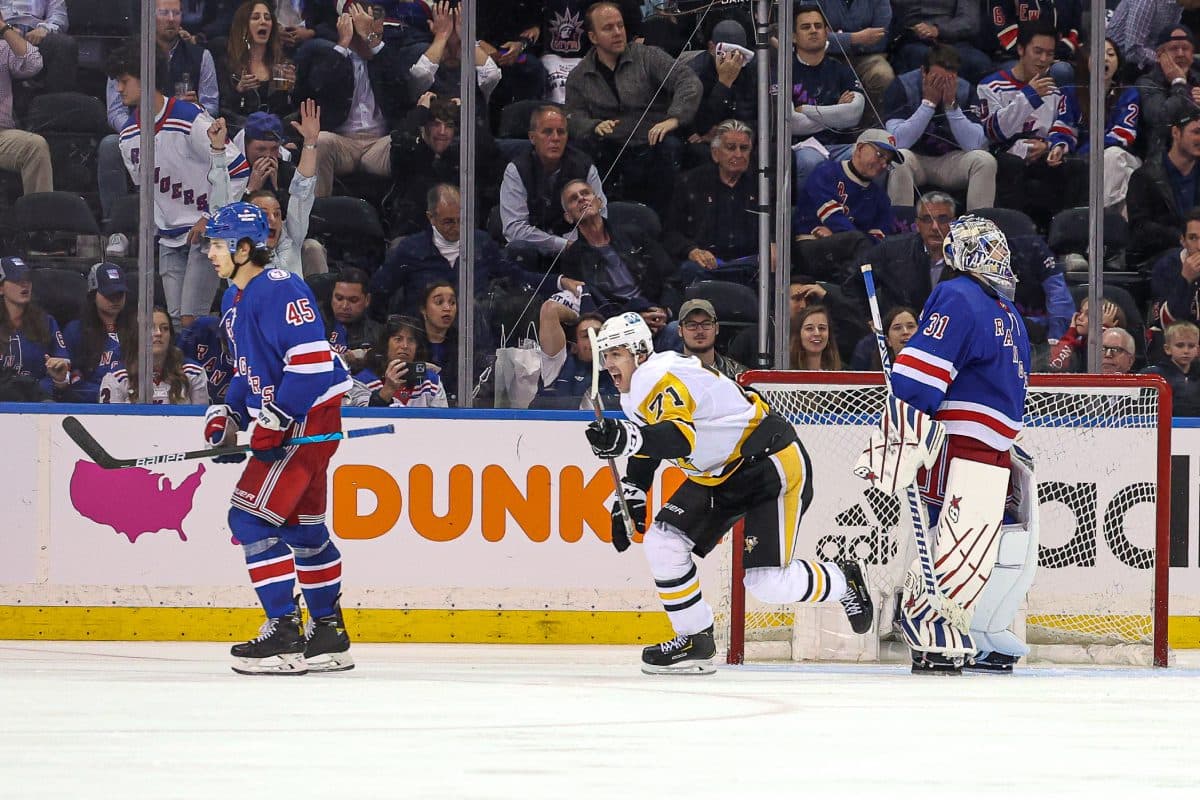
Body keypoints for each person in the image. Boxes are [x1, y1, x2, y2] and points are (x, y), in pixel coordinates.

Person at [583, 311, 874, 674]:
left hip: (768, 466)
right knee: (663, 541)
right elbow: (650, 444)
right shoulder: (636, 390)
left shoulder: (657, 376)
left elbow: (679, 436)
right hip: (719, 475)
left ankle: (842, 579)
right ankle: (696, 639)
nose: (609, 363)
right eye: (606, 355)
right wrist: (634, 490)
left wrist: (625, 438)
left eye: (617, 354)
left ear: (640, 352)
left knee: (766, 582)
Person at [853, 214, 1036, 674]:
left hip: (976, 446)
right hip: (977, 445)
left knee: (959, 538)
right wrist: (910, 403)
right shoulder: (983, 304)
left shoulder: (981, 301)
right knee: (956, 537)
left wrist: (904, 394)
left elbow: (933, 380)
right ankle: (942, 622)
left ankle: (947, 622)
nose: (999, 259)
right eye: (990, 250)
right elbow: (930, 376)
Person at [202, 201, 354, 675]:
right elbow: (252, 367)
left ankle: (284, 634)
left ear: (244, 248)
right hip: (297, 414)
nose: (209, 252)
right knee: (300, 528)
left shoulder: (279, 286)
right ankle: (328, 634)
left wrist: (273, 421)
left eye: (217, 243)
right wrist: (228, 410)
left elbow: (308, 365)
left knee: (247, 520)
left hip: (306, 414)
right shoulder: (235, 297)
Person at [111, 45, 250, 327]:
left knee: (190, 321)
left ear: (146, 77)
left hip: (206, 235)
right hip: (169, 239)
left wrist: (211, 218)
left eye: (124, 81)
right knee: (174, 325)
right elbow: (146, 193)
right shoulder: (126, 136)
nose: (118, 89)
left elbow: (238, 169)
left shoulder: (189, 118)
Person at [564, 1, 700, 215]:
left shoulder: (648, 56)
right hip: (611, 147)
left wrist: (674, 118)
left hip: (653, 143)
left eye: (620, 25)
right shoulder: (579, 75)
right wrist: (593, 125)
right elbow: (572, 116)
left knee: (670, 148)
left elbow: (687, 80)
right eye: (608, 28)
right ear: (593, 37)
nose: (618, 32)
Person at [980, 20, 1082, 228]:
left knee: (1075, 165)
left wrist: (1052, 146)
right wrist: (1029, 97)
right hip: (1006, 156)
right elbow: (993, 132)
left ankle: (1067, 242)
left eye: (1050, 54)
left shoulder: (1054, 89)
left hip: (1042, 156)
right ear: (1020, 49)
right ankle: (1013, 235)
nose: (1044, 59)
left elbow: (1065, 124)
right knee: (1012, 165)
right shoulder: (991, 86)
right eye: (1037, 51)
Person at [884, 44, 996, 211]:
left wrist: (952, 106)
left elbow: (975, 145)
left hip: (951, 160)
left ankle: (978, 229)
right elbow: (898, 141)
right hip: (916, 158)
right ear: (923, 72)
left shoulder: (965, 90)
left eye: (948, 81)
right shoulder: (903, 86)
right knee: (899, 158)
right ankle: (902, 228)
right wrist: (928, 104)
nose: (941, 86)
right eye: (935, 80)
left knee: (985, 161)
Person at [558, 178, 681, 317]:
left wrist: (665, 310)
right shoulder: (573, 257)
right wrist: (634, 318)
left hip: (657, 312)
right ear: (568, 217)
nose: (581, 198)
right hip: (617, 325)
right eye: (573, 199)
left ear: (599, 202)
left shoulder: (635, 235)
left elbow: (671, 277)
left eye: (585, 193)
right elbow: (590, 306)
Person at [500, 104, 607, 263]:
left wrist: (577, 245)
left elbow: (600, 214)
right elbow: (514, 228)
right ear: (532, 137)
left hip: (578, 250)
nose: (555, 138)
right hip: (535, 249)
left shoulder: (584, 165)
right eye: (547, 132)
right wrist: (561, 244)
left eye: (561, 132)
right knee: (518, 249)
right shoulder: (517, 170)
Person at [664, 119, 761, 287]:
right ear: (715, 153)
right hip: (707, 265)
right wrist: (692, 251)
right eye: (731, 148)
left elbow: (778, 227)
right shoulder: (690, 182)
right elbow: (671, 233)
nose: (738, 154)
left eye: (744, 149)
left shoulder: (762, 185)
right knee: (690, 271)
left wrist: (773, 243)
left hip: (750, 264)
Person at [1048, 39, 1142, 213]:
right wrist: (1059, 145)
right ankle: (1110, 228)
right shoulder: (1072, 91)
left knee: (1112, 156)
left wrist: (1087, 152)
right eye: (1099, 53)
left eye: (1111, 54)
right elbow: (1064, 126)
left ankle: (1100, 219)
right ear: (1085, 60)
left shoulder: (1128, 93)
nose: (1105, 58)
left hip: (1120, 156)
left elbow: (1123, 134)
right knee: (1126, 180)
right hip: (1088, 160)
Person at [786, 5, 867, 194]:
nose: (813, 30)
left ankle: (856, 219)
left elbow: (853, 115)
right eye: (806, 27)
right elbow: (793, 123)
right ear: (793, 36)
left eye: (818, 26)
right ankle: (808, 219)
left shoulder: (842, 70)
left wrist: (806, 110)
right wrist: (836, 112)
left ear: (827, 32)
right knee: (811, 161)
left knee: (870, 157)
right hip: (802, 146)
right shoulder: (783, 71)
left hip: (839, 145)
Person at [794, 128, 899, 241]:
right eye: (880, 155)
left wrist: (838, 235)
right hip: (811, 242)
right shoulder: (825, 172)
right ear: (860, 148)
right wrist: (853, 237)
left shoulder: (881, 198)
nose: (884, 165)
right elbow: (832, 217)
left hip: (856, 251)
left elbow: (878, 239)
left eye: (888, 161)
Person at [1127, 109, 1200, 266]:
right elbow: (1140, 229)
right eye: (1196, 132)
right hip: (1158, 259)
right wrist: (1183, 239)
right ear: (1176, 133)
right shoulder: (1144, 177)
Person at [98, 308, 208, 404]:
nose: (159, 333)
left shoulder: (193, 373)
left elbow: (202, 422)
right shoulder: (116, 378)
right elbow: (110, 423)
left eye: (165, 328)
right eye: (150, 327)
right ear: (137, 334)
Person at [62, 262, 136, 403]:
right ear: (93, 293)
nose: (115, 300)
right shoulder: (76, 330)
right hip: (93, 404)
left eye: (119, 294)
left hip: (133, 400)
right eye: (109, 294)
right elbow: (71, 377)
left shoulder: (137, 327)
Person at [216, 1, 296, 126]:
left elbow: (290, 112)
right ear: (244, 26)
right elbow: (222, 111)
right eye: (255, 17)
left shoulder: (283, 65)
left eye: (267, 18)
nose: (263, 21)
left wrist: (292, 90)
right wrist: (238, 91)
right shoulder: (228, 64)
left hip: (277, 135)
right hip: (240, 133)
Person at [0, 256, 69, 398]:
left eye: (27, 279)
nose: (24, 284)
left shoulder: (46, 322)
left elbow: (63, 374)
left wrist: (59, 379)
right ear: (1, 288)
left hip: (38, 403)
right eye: (16, 280)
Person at [0, 10, 52, 196]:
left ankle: (40, 221)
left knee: (35, 146)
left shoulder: (3, 48)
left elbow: (33, 64)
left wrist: (4, 28)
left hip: (1, 135)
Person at [348, 314, 448, 408]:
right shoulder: (363, 381)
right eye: (398, 339)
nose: (405, 346)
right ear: (385, 344)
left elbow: (443, 423)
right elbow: (363, 420)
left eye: (411, 340)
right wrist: (387, 390)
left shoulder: (431, 382)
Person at [1133, 25, 1197, 159]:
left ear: (1192, 55)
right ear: (1159, 55)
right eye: (1174, 49)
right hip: (1160, 161)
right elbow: (1161, 120)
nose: (1180, 53)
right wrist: (1179, 83)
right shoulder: (1147, 83)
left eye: (1185, 49)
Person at [2, 0, 77, 94]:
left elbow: (58, 15)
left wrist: (44, 29)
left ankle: (56, 103)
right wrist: (6, 29)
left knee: (65, 44)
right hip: (3, 32)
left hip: (35, 33)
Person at [323, 266, 380, 377]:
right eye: (339, 298)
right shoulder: (315, 326)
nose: (344, 306)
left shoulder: (379, 334)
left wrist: (365, 363)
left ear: (367, 300)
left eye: (353, 300)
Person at [1150, 207, 1200, 327]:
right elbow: (1164, 323)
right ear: (1183, 241)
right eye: (1193, 238)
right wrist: (1185, 280)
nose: (1199, 246)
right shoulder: (1166, 267)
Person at [1046, 297, 1126, 372]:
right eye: (1081, 312)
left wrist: (1103, 332)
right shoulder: (1076, 345)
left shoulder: (1119, 352)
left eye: (1088, 314)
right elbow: (1055, 366)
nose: (1080, 317)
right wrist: (1071, 334)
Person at [677, 298, 746, 380]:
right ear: (680, 331)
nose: (700, 331)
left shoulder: (740, 376)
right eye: (691, 325)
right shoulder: (666, 374)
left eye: (706, 324)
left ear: (716, 328)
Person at [1109, 0, 1184, 75]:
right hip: (1120, 63)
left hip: (1147, 61)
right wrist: (1166, 60)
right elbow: (1132, 50)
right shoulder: (1147, 2)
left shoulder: (1179, 5)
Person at [1142, 321, 1200, 413]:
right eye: (1180, 345)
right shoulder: (1152, 375)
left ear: (1197, 350)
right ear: (1167, 349)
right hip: (1163, 426)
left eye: (1191, 346)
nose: (1186, 351)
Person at [850, 305, 920, 369]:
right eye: (897, 328)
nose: (905, 332)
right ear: (888, 340)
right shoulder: (881, 374)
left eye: (911, 326)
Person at [789, 305, 842, 370]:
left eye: (822, 328)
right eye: (809, 328)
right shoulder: (783, 372)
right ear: (798, 334)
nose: (817, 333)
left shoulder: (844, 372)